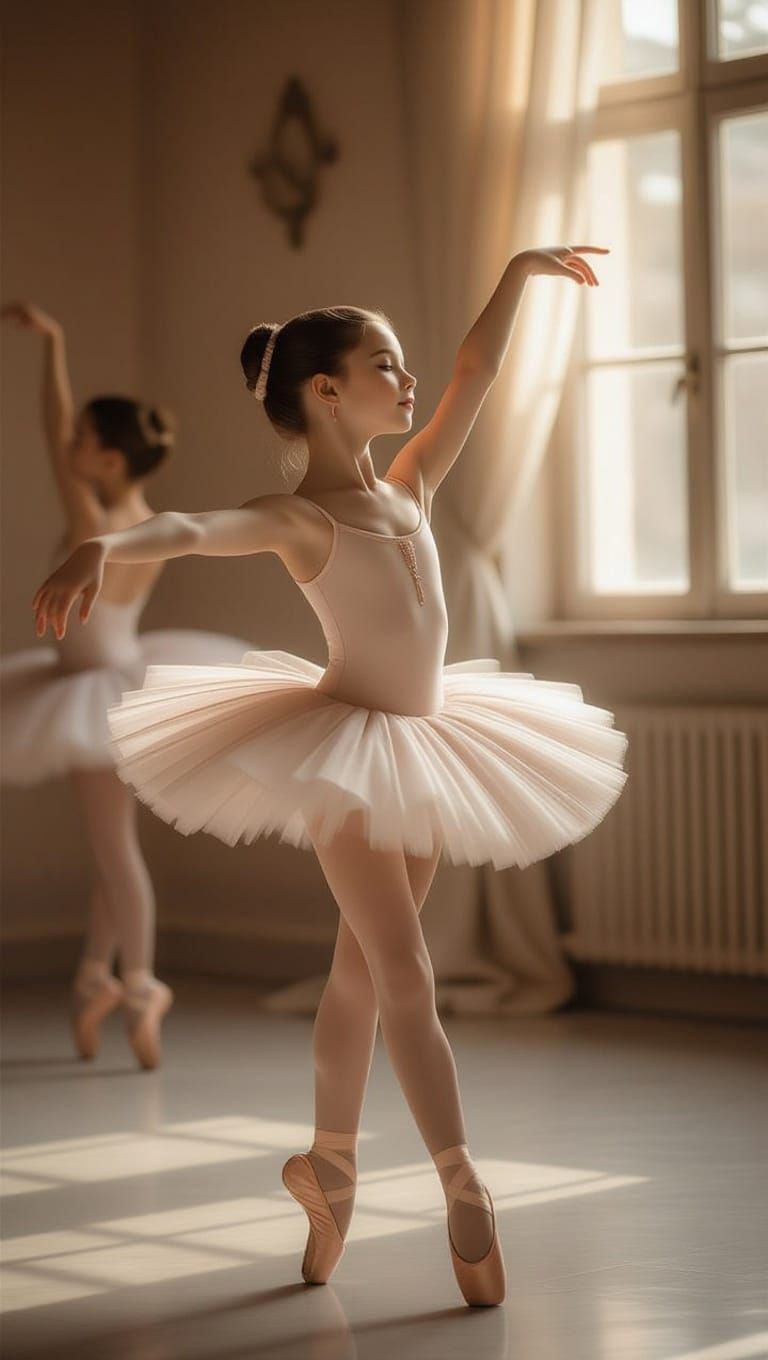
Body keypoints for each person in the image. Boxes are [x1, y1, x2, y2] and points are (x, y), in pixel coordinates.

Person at [30, 246, 627, 1306]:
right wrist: (99, 553)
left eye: (401, 367)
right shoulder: (304, 518)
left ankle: (331, 1167)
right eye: (383, 365)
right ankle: (462, 1182)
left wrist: (522, 274)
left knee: (360, 972)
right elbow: (191, 527)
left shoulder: (412, 488)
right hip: (346, 760)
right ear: (324, 391)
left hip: (428, 750)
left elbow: (475, 372)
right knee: (404, 971)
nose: (406, 382)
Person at [1, 302, 254, 1070]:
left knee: (114, 849)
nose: (71, 447)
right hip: (108, 677)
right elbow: (57, 435)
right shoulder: (147, 520)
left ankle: (139, 984)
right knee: (114, 848)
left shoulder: (95, 517)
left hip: (93, 692)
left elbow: (47, 432)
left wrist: (55, 343)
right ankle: (94, 980)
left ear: (109, 460)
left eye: (85, 440)